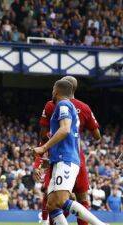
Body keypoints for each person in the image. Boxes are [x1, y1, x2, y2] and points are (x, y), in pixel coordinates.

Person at [33, 80, 107, 225]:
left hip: (65, 159)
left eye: (53, 89)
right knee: (52, 205)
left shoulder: (63, 105)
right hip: (60, 158)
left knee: (61, 200)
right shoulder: (71, 106)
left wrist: (43, 147)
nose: (52, 92)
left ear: (56, 91)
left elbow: (65, 129)